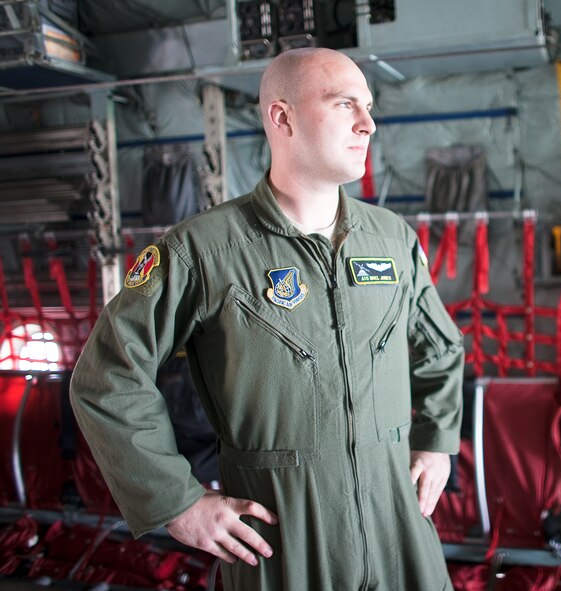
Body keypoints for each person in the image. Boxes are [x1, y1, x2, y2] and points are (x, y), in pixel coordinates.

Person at [70, 47, 464, 591]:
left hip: (399, 524)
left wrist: (437, 440)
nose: (367, 124)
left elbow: (441, 348)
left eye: (368, 106)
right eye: (344, 104)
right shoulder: (204, 251)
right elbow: (107, 377)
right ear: (283, 117)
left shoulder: (392, 238)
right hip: (282, 536)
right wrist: (176, 500)